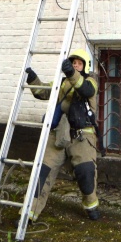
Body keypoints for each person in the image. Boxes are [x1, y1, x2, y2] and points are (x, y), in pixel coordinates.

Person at [26, 48, 101, 221]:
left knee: (85, 172)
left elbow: (87, 90)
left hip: (82, 135)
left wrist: (71, 73)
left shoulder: (91, 81)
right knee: (43, 172)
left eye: (79, 64)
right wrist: (32, 77)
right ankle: (29, 214)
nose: (75, 66)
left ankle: (91, 206)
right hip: (59, 133)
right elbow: (42, 92)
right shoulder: (62, 83)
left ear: (85, 66)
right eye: (73, 63)